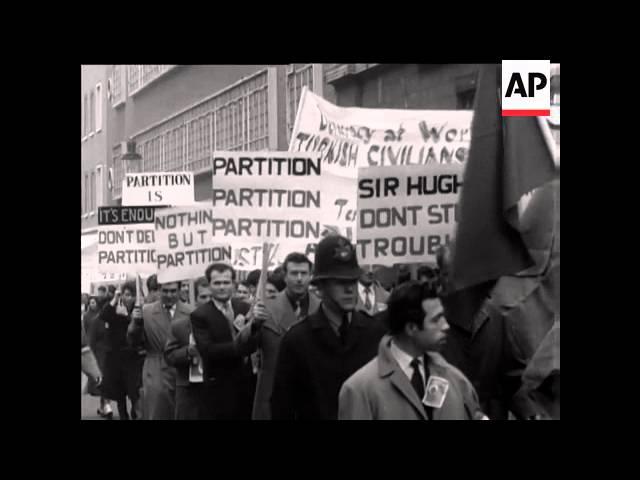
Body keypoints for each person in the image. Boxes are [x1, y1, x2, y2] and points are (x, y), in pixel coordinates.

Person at [270, 235, 387, 420]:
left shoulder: (375, 332)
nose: (349, 289)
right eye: (340, 282)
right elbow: (281, 407)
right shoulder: (297, 340)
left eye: (352, 281)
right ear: (321, 286)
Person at [339, 281, 485, 420]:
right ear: (411, 328)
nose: (446, 326)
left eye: (444, 317)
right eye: (436, 320)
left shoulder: (455, 379)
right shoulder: (360, 390)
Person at [236, 252, 321, 420]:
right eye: (294, 273)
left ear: (310, 276)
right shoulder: (266, 308)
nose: (299, 278)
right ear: (284, 276)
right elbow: (241, 348)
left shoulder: (322, 309)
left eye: (303, 273)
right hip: (273, 398)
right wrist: (254, 325)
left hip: (313, 397)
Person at [190, 263, 255, 419]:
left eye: (226, 282)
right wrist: (239, 346)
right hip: (217, 388)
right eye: (217, 283)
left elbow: (255, 341)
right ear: (209, 285)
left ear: (233, 284)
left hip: (246, 385)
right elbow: (207, 350)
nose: (222, 287)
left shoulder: (246, 308)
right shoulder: (200, 315)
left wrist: (255, 326)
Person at [128, 280, 192, 420]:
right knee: (158, 412)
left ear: (180, 290)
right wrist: (136, 323)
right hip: (156, 368)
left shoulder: (190, 312)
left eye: (173, 291)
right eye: (165, 290)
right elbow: (134, 343)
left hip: (182, 369)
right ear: (159, 290)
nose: (169, 295)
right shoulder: (146, 311)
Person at [164, 277, 211, 420]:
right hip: (189, 392)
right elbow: (169, 356)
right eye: (203, 296)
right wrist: (188, 352)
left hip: (215, 391)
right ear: (195, 299)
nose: (208, 300)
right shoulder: (180, 326)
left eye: (211, 296)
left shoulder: (226, 323)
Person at [101, 281, 144, 420]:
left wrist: (129, 317)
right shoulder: (115, 308)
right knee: (120, 396)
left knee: (134, 393)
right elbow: (103, 316)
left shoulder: (138, 311)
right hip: (116, 360)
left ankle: (134, 414)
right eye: (126, 295)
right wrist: (114, 298)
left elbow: (138, 334)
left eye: (132, 295)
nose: (129, 298)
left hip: (133, 360)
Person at [83, 296, 112, 419]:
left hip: (110, 353)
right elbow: (89, 339)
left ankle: (104, 406)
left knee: (107, 380)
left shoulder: (111, 319)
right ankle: (105, 405)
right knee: (102, 379)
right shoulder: (92, 319)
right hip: (98, 354)